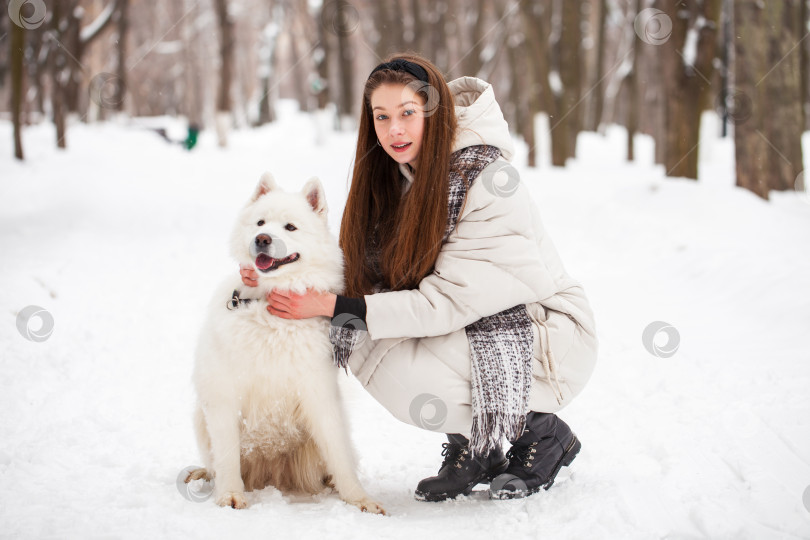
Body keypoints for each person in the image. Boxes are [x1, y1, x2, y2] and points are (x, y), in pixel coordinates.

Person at [239, 52, 598, 501]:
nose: (394, 130)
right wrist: (275, 275)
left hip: (545, 335)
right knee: (361, 333)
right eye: (381, 116)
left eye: (408, 113)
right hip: (479, 325)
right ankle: (476, 445)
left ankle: (542, 434)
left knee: (382, 350)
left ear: (435, 111)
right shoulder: (400, 177)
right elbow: (358, 270)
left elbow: (446, 302)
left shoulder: (484, 179)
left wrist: (334, 307)